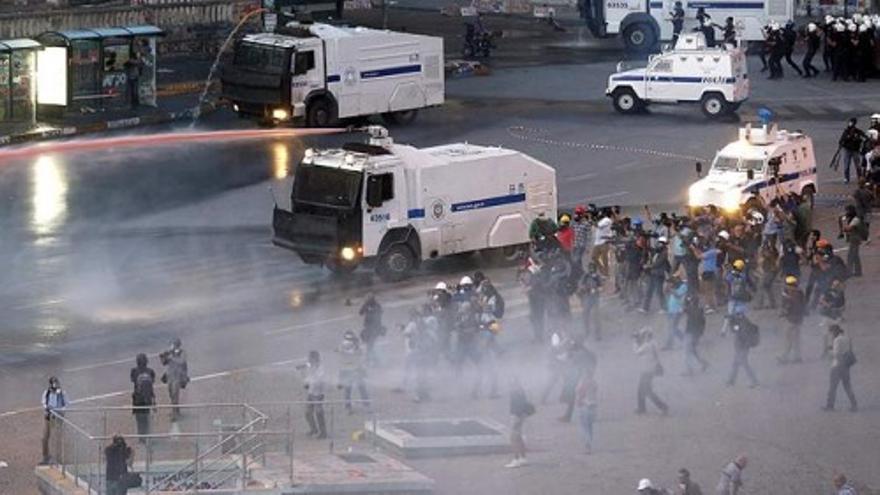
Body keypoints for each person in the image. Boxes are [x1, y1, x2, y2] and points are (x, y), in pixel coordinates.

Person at [633, 327, 668, 415]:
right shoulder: (654, 343)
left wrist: (635, 342)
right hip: (651, 369)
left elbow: (637, 352)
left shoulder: (647, 345)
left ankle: (663, 406)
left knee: (647, 391)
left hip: (646, 370)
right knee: (642, 390)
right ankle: (642, 408)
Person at [823, 324, 857, 412]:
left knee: (832, 387)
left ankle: (830, 406)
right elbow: (848, 350)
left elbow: (837, 354)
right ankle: (854, 404)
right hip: (846, 366)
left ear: (834, 332)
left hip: (837, 366)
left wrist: (829, 351)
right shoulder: (846, 338)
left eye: (831, 332)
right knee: (847, 386)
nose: (831, 335)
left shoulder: (837, 340)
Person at [337, 330, 371, 413]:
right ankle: (349, 407)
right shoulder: (345, 347)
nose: (348, 342)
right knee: (349, 389)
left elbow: (359, 357)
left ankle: (365, 406)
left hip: (355, 369)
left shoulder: (354, 347)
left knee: (361, 387)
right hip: (348, 369)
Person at [505, 377, 534, 468]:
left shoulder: (515, 391)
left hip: (516, 416)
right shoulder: (520, 390)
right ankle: (523, 458)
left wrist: (517, 418)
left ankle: (516, 459)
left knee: (513, 438)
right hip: (519, 415)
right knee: (518, 437)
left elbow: (517, 405)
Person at [777, 276, 805, 364]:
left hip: (790, 319)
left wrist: (782, 313)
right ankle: (797, 357)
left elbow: (786, 307)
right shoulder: (800, 293)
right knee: (796, 339)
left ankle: (784, 357)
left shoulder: (789, 294)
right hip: (798, 318)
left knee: (788, 339)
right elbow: (803, 305)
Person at [160, 338, 189, 421]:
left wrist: (171, 358)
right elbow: (163, 363)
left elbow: (181, 362)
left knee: (175, 394)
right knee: (171, 395)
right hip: (170, 377)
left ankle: (175, 414)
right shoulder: (170, 353)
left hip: (177, 376)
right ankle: (176, 410)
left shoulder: (182, 353)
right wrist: (163, 356)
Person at [726, 315, 759, 388]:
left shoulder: (741, 322)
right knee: (736, 363)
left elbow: (735, 330)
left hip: (742, 346)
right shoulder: (743, 320)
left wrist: (731, 322)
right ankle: (731, 380)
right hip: (742, 345)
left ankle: (754, 381)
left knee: (744, 364)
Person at [41, 376, 68, 464]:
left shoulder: (62, 393)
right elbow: (44, 403)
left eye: (56, 383)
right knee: (44, 437)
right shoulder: (46, 393)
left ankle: (58, 458)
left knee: (57, 438)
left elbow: (66, 405)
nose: (54, 385)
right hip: (48, 418)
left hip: (58, 418)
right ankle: (46, 456)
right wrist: (47, 408)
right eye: (53, 383)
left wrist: (58, 410)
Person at [301, 350, 327, 438]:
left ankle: (323, 432)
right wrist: (306, 382)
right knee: (308, 413)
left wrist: (310, 380)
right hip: (311, 392)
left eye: (311, 358)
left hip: (318, 394)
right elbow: (308, 377)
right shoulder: (310, 366)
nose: (309, 360)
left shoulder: (320, 368)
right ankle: (314, 429)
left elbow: (318, 380)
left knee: (319, 413)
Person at [130, 354, 156, 440]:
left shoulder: (134, 371)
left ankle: (141, 436)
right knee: (146, 417)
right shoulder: (151, 371)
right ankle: (147, 435)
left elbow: (133, 380)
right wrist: (154, 401)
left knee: (139, 418)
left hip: (137, 398)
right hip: (147, 398)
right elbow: (152, 384)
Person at [683, 295, 709, 375]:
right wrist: (701, 333)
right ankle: (703, 363)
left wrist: (686, 300)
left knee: (687, 352)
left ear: (692, 302)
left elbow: (684, 308)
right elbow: (703, 323)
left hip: (690, 333)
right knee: (693, 350)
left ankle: (689, 370)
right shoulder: (700, 310)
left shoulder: (690, 309)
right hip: (697, 334)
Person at [575, 366, 598, 454]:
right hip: (593, 406)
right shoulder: (594, 382)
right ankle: (589, 443)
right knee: (590, 427)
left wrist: (578, 402)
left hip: (584, 406)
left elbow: (580, 393)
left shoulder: (583, 382)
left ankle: (587, 445)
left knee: (585, 427)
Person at [577, 262, 603, 340]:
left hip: (595, 298)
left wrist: (596, 289)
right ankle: (586, 332)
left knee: (596, 317)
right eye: (590, 268)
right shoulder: (585, 276)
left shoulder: (597, 277)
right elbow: (580, 285)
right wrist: (585, 288)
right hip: (587, 298)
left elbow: (600, 287)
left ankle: (597, 334)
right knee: (585, 315)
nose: (591, 269)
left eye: (593, 268)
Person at [837, 118, 866, 184]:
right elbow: (841, 141)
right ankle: (846, 178)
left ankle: (860, 178)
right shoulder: (846, 131)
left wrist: (858, 139)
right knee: (846, 165)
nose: (850, 124)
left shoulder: (858, 131)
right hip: (847, 150)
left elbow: (864, 137)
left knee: (858, 165)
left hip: (855, 150)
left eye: (851, 122)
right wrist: (847, 138)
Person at [359, 293, 385, 366]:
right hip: (368, 328)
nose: (368, 301)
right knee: (369, 345)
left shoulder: (377, 306)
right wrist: (365, 306)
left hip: (374, 328)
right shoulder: (366, 305)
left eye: (369, 299)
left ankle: (373, 360)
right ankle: (372, 360)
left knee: (370, 345)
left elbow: (379, 315)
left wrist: (371, 311)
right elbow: (360, 312)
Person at [663, 276, 688, 350]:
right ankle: (669, 344)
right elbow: (664, 293)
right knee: (670, 328)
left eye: (670, 282)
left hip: (678, 310)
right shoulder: (673, 287)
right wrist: (666, 287)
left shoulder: (683, 286)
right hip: (671, 310)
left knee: (673, 328)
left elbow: (678, 295)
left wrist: (671, 289)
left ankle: (684, 340)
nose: (670, 284)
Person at [841, 204, 865, 277]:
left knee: (851, 256)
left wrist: (844, 227)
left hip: (855, 239)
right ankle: (858, 271)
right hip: (855, 239)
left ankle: (849, 272)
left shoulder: (855, 219)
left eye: (847, 211)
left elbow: (848, 228)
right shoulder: (854, 218)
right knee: (855, 256)